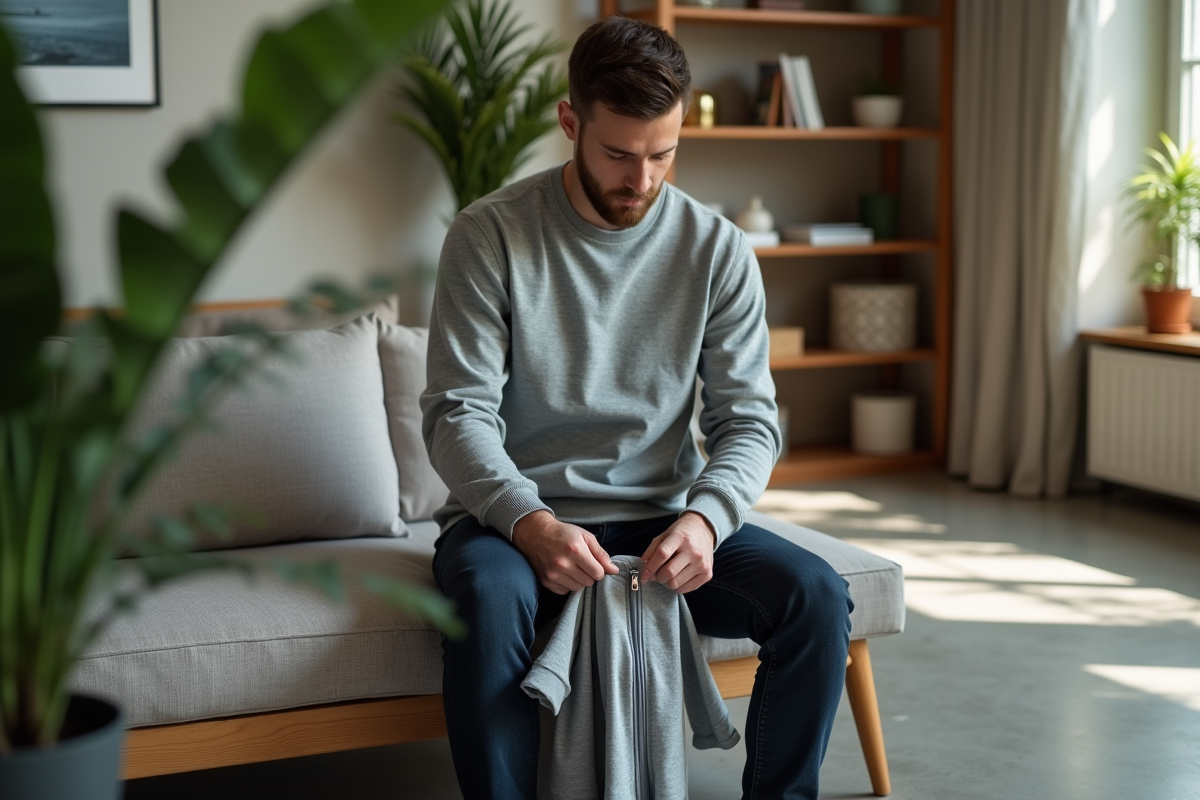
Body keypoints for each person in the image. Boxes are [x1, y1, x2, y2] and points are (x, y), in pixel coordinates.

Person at [421, 15, 852, 800]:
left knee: (818, 596)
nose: (643, 180)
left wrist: (707, 519)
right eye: (619, 154)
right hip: (515, 527)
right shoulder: (489, 236)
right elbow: (456, 414)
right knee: (487, 600)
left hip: (663, 522)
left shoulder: (716, 249)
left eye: (664, 153)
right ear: (570, 123)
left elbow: (749, 421)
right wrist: (530, 521)